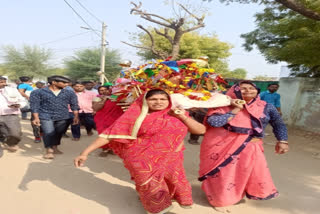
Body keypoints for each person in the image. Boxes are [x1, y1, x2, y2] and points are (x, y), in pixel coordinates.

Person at [75, 89, 206, 214]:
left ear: (169, 101)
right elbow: (109, 135)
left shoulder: (177, 114)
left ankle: (159, 201)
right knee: (151, 186)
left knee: (173, 181)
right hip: (141, 159)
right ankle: (157, 210)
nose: (158, 102)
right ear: (145, 101)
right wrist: (85, 153)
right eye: (153, 99)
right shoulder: (134, 116)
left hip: (172, 158)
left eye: (163, 99)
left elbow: (200, 131)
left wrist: (182, 116)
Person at [198, 81, 289, 211]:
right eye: (242, 88)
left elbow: (278, 123)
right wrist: (235, 109)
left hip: (252, 147)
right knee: (224, 174)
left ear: (257, 91)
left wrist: (283, 140)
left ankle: (235, 195)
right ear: (234, 91)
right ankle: (220, 200)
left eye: (251, 88)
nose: (247, 91)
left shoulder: (266, 107)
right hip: (224, 147)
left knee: (244, 173)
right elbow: (214, 122)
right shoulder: (223, 105)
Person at [30, 75, 79, 159]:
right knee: (48, 132)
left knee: (59, 132)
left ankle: (55, 147)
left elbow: (74, 105)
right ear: (54, 82)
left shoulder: (69, 92)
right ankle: (49, 150)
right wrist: (36, 118)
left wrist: (76, 116)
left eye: (67, 83)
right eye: (63, 82)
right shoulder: (38, 92)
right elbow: (34, 106)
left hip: (63, 116)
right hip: (45, 115)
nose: (66, 84)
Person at [92, 86, 124, 156]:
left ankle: (112, 148)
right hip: (101, 120)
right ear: (99, 92)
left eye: (105, 90)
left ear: (110, 90)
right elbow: (96, 108)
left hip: (115, 119)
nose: (104, 91)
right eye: (101, 90)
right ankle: (105, 149)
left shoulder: (116, 97)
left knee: (113, 134)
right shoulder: (97, 98)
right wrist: (103, 100)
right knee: (103, 133)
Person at [0, 76, 26, 152]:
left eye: (4, 82)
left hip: (11, 115)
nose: (4, 84)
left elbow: (22, 101)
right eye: (1, 82)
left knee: (15, 133)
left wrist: (19, 105)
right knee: (3, 132)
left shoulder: (12, 90)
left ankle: (11, 143)